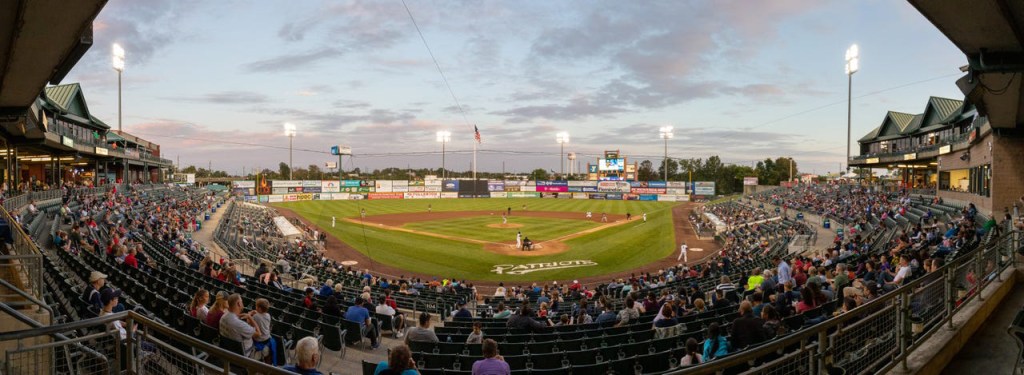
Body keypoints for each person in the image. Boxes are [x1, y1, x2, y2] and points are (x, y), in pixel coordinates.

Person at [251, 298, 279, 365]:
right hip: (267, 338)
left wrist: (250, 314)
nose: (255, 307)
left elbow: (250, 323)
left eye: (256, 306)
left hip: (258, 339)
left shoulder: (255, 316)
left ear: (259, 308)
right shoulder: (268, 315)